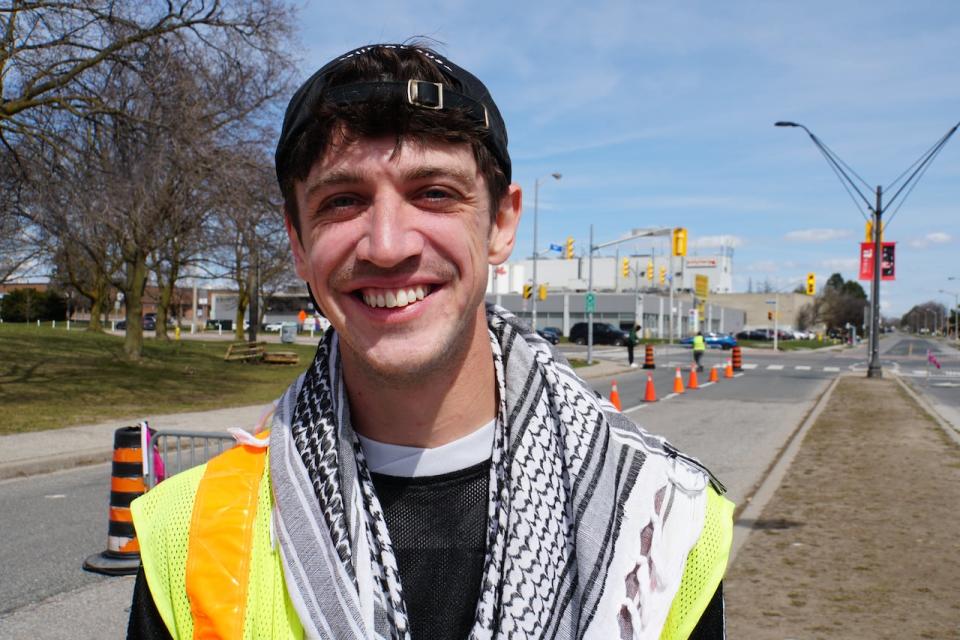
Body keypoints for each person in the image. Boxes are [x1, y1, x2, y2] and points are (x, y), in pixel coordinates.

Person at [127, 43, 733, 640]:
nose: (388, 245)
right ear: (298, 241)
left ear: (500, 223)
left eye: (434, 193)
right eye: (343, 200)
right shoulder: (189, 534)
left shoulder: (661, 524)